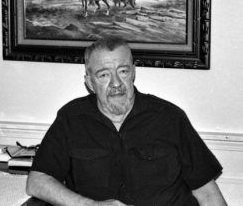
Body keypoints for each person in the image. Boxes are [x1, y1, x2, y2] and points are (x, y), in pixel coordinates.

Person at [26, 37, 227, 206]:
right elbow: (37, 181)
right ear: (89, 82)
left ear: (133, 72)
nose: (116, 83)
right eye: (104, 74)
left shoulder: (169, 117)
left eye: (122, 71)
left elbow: (208, 194)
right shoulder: (71, 119)